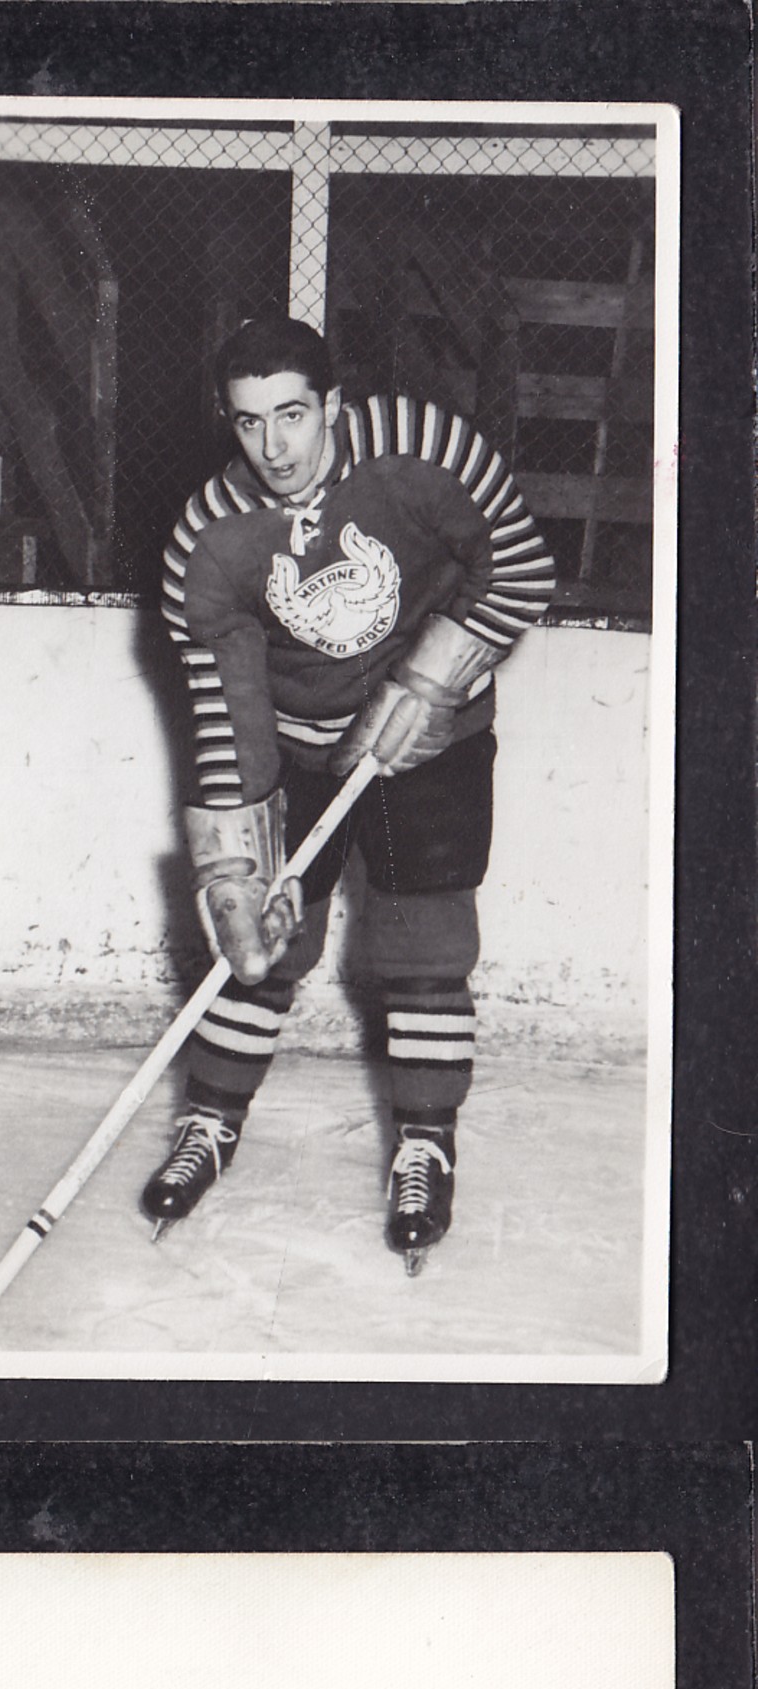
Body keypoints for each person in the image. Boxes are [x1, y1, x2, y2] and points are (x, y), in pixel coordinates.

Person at [145, 316, 555, 1270]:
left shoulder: (425, 450)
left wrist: (429, 681)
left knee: (425, 941)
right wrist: (234, 864)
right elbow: (226, 712)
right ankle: (210, 1123)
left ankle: (424, 1143)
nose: (274, 447)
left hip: (438, 733)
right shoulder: (207, 541)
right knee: (264, 943)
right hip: (296, 742)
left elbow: (521, 565)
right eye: (249, 423)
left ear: (332, 404)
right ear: (228, 422)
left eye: (292, 414)